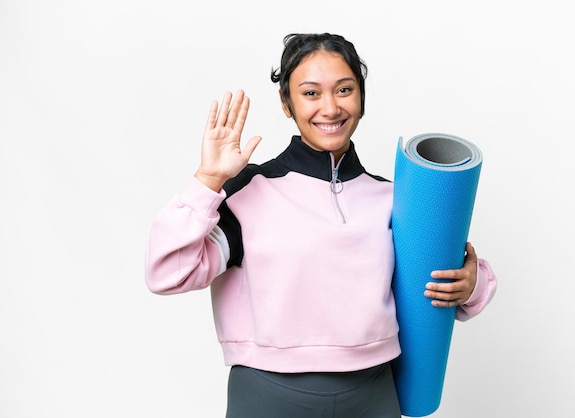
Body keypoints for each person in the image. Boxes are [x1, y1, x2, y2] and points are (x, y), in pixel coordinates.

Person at [145, 32, 497, 418]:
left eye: (344, 89)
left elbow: (451, 282)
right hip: (268, 395)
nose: (330, 108)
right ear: (286, 104)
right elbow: (167, 274)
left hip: (374, 394)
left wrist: (471, 284)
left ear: (361, 97)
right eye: (311, 93)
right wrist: (207, 181)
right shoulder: (248, 192)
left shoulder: (394, 198)